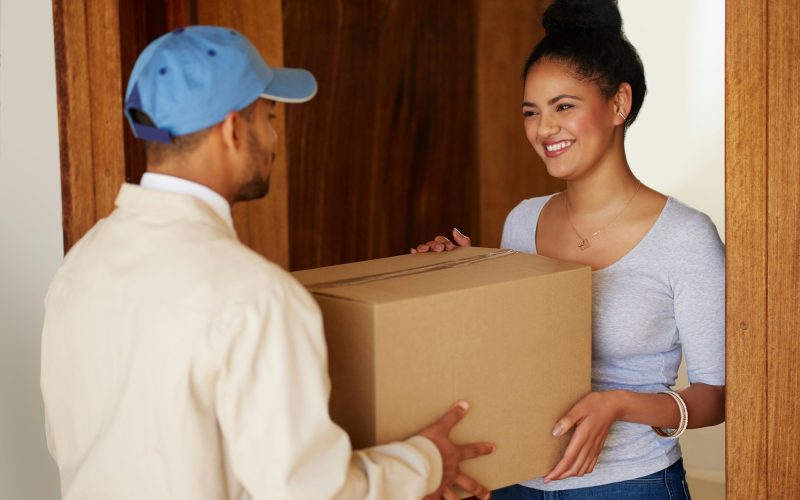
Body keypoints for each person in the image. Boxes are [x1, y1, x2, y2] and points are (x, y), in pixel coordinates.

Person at [40, 25, 493, 500]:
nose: (274, 138)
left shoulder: (80, 267)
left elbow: (71, 444)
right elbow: (311, 492)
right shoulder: (255, 296)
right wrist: (425, 463)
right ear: (234, 129)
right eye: (269, 116)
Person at [413, 1, 725, 498]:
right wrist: (460, 278)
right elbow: (511, 356)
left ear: (619, 104)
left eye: (564, 107)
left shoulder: (685, 236)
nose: (543, 130)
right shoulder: (522, 220)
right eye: (531, 113)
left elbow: (716, 397)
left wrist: (619, 405)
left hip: (629, 483)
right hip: (516, 477)